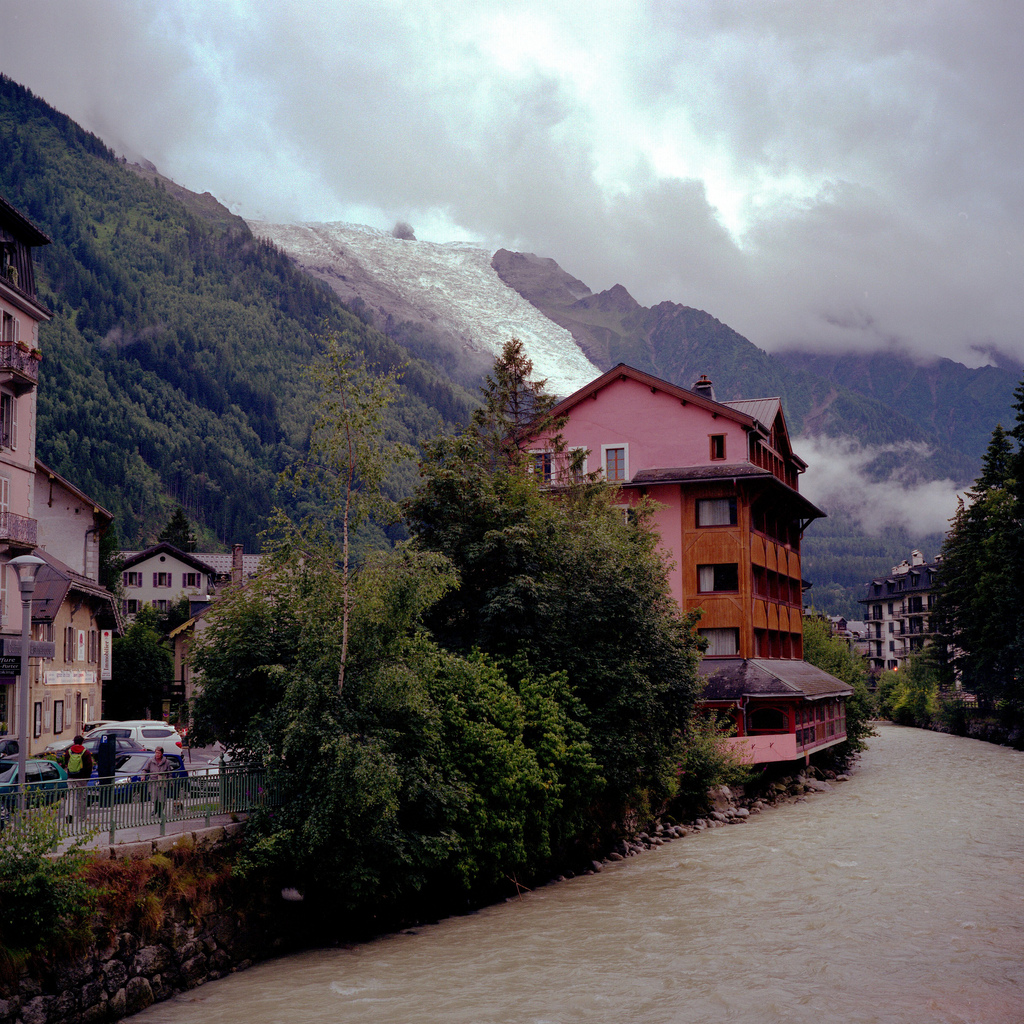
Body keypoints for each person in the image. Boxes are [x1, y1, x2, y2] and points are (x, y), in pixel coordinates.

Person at [62, 735, 93, 824]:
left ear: (74, 742)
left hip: (71, 777)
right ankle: (82, 817)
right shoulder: (85, 752)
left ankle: (69, 814)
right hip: (82, 778)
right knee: (82, 798)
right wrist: (87, 778)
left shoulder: (68, 752)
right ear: (82, 742)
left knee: (70, 796)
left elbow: (66, 763)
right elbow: (89, 766)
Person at [142, 746, 175, 816]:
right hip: (153, 782)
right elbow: (145, 770)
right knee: (154, 797)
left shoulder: (166, 762)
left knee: (162, 798)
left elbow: (169, 773)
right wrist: (143, 776)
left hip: (162, 782)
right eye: (156, 753)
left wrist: (170, 781)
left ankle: (160, 812)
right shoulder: (151, 761)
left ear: (162, 754)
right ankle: (156, 809)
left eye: (159, 753)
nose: (157, 754)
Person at [96, 733, 117, 808]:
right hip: (106, 773)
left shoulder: (102, 747)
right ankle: (106, 803)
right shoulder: (108, 747)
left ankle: (105, 803)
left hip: (103, 773)